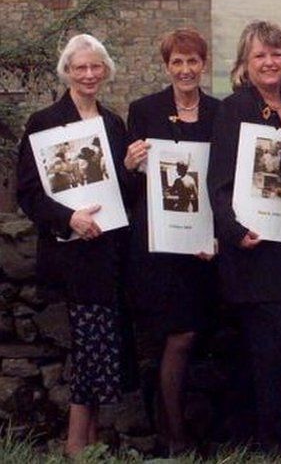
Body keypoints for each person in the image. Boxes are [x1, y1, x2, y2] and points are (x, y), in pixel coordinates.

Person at [16, 34, 128, 457]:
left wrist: (132, 168)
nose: (88, 75)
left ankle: (92, 439)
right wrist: (70, 218)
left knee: (102, 344)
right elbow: (28, 192)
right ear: (67, 71)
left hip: (108, 252)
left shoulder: (114, 124)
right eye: (80, 67)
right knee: (89, 345)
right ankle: (76, 443)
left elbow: (122, 192)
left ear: (105, 71)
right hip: (70, 255)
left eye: (96, 67)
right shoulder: (44, 122)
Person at [123, 28, 219, 455]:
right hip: (159, 246)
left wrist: (216, 236)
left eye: (192, 61)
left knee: (195, 337)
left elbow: (224, 181)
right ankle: (174, 436)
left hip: (204, 246)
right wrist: (130, 165)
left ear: (204, 64)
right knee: (175, 336)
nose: (185, 69)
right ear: (166, 66)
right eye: (177, 62)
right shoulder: (143, 110)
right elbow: (133, 186)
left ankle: (175, 429)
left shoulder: (220, 113)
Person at [207, 20, 281, 452]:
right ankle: (271, 444)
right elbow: (220, 180)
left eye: (277, 53)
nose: (270, 62)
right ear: (245, 63)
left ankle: (272, 439)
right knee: (267, 348)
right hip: (253, 246)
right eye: (260, 55)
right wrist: (234, 231)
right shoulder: (235, 108)